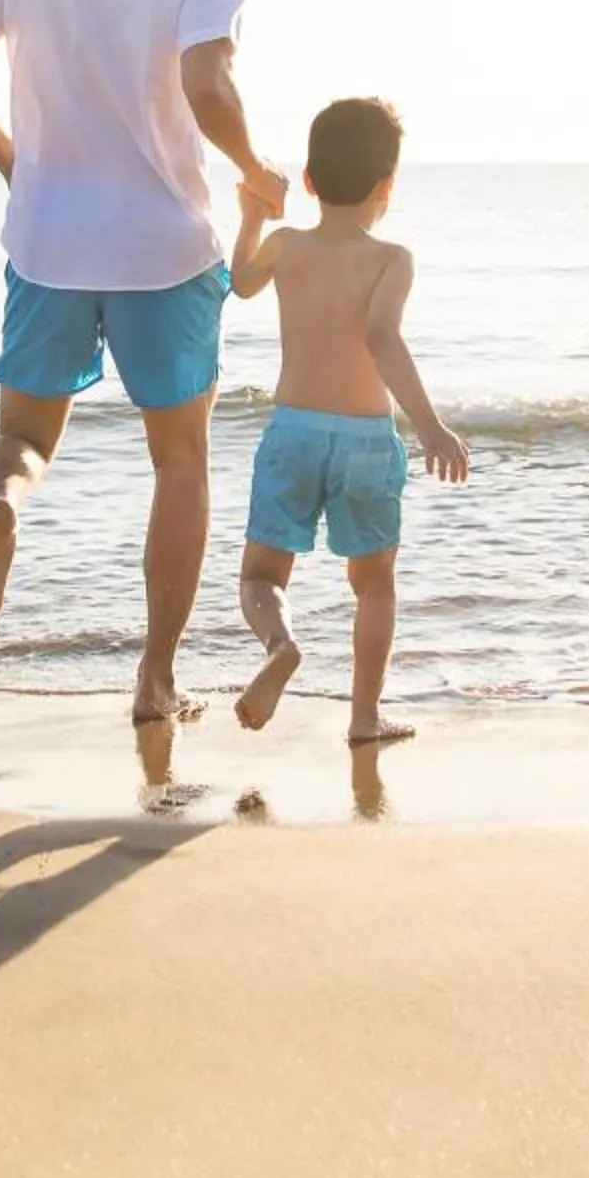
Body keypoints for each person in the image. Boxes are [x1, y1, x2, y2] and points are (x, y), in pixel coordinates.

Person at [0, 0, 287, 724]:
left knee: (25, 440)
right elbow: (206, 78)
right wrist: (253, 167)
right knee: (180, 464)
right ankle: (157, 678)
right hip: (165, 248)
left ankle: (2, 509)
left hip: (47, 244)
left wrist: (13, 159)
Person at [224, 97, 469, 743]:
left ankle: (280, 646)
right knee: (374, 587)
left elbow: (241, 282)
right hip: (364, 439)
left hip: (294, 432)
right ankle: (364, 718)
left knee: (261, 576)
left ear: (307, 180)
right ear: (387, 189)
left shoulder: (286, 246)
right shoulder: (392, 259)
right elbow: (383, 338)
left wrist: (249, 218)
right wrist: (431, 426)